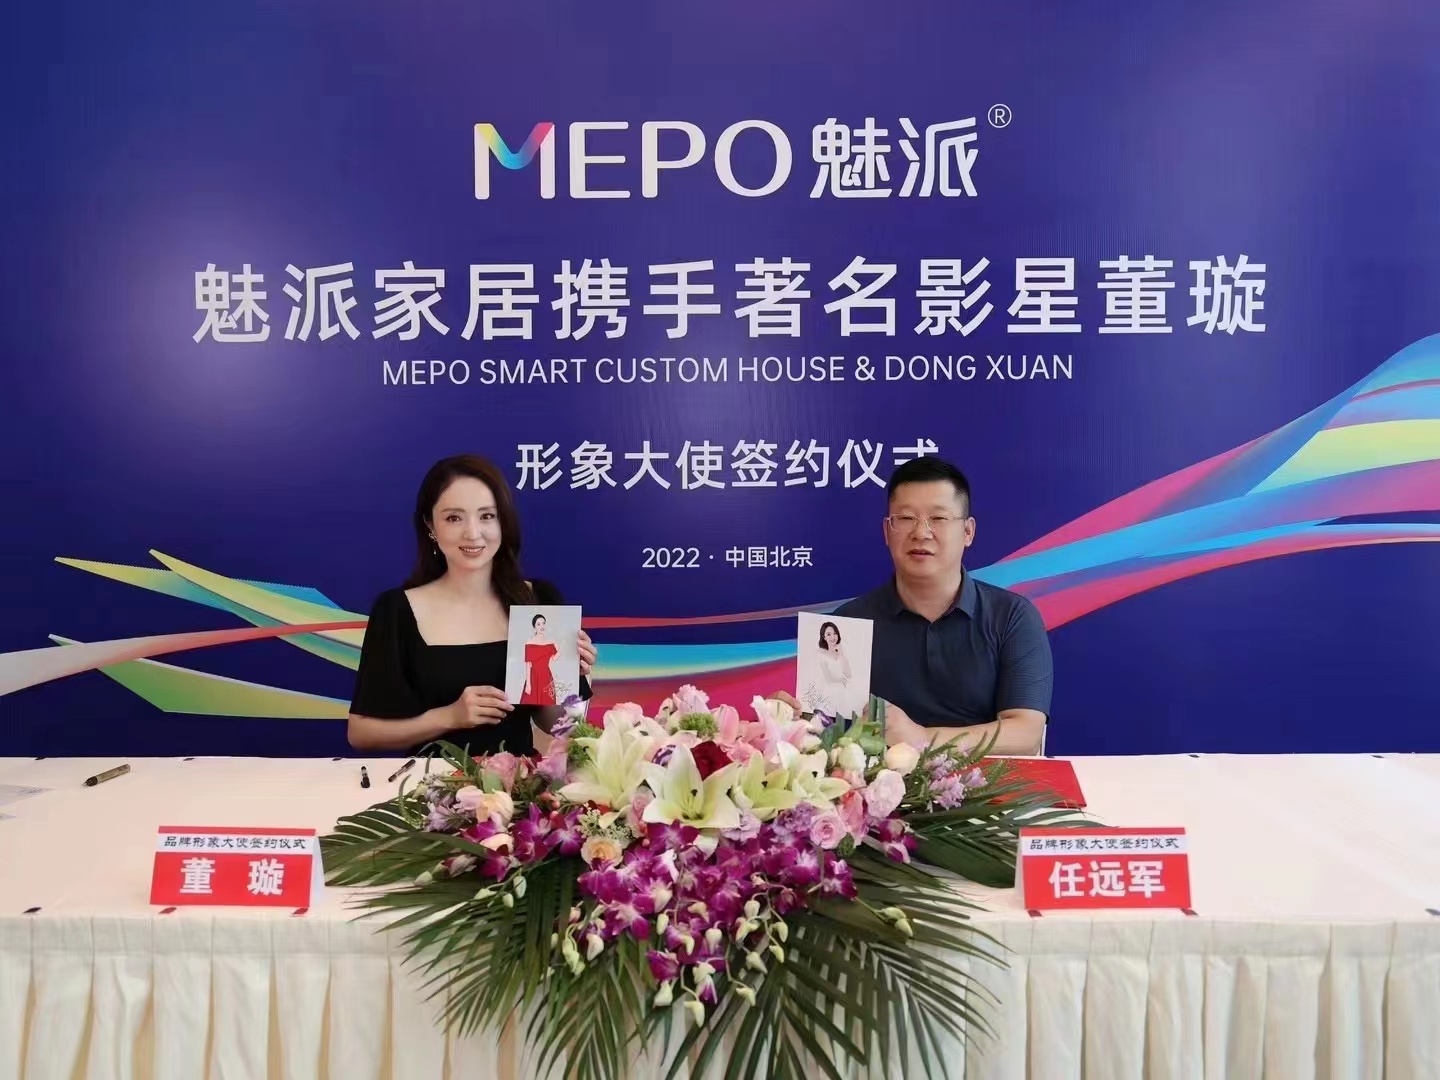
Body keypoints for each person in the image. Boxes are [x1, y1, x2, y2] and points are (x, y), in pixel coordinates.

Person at [782, 457, 1052, 755]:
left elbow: (1025, 733)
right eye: (906, 518)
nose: (921, 533)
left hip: (986, 781)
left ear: (968, 532)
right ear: (887, 531)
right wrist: (787, 722)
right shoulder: (846, 624)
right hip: (879, 783)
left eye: (938, 518)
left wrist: (921, 738)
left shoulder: (1012, 617)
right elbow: (821, 732)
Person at [347, 454, 596, 757]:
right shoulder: (397, 610)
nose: (473, 533)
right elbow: (361, 732)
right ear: (430, 525)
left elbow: (559, 726)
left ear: (503, 522)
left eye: (487, 516)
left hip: (520, 782)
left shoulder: (538, 600)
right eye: (454, 518)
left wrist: (574, 675)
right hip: (432, 784)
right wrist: (448, 717)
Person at [812, 620, 867, 719]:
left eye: (835, 633)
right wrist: (841, 680)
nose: (833, 637)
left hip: (843, 691)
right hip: (830, 692)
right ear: (824, 637)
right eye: (828, 634)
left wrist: (841, 653)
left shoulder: (840, 652)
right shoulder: (821, 654)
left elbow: (848, 674)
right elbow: (828, 679)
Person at [520, 614, 558, 706]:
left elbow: (554, 658)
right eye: (538, 624)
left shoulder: (550, 642)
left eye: (543, 623)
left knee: (548, 704)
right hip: (533, 676)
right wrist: (528, 684)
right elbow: (528, 665)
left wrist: (559, 649)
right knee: (530, 703)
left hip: (546, 676)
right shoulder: (529, 642)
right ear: (534, 627)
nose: (542, 626)